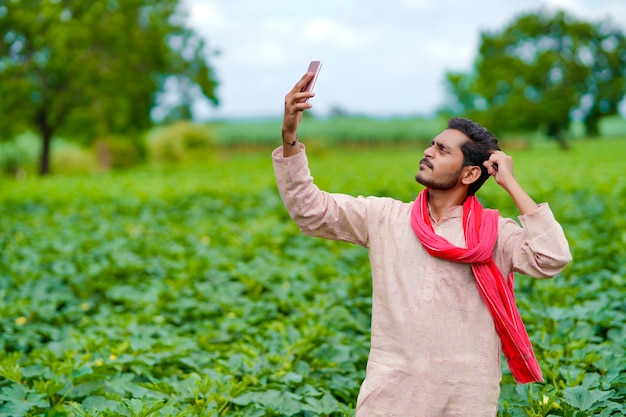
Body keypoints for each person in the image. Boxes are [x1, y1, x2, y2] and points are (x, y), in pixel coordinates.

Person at [272, 72, 572, 417]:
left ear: (470, 174)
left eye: (442, 150)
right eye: (432, 144)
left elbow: (551, 258)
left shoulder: (495, 234)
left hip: (465, 397)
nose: (428, 152)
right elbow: (310, 211)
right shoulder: (385, 217)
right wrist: (290, 137)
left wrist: (511, 184)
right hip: (390, 393)